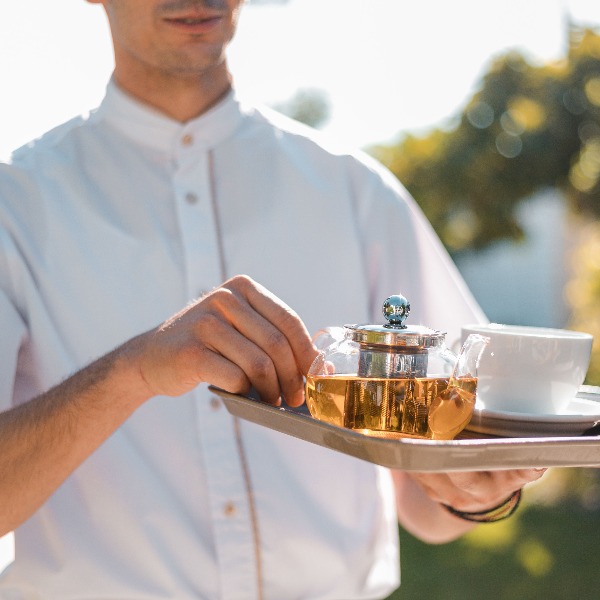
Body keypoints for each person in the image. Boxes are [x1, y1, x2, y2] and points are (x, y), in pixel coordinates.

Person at [0, 1, 546, 598]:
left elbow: (427, 499)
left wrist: (470, 491)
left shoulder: (358, 194)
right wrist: (134, 370)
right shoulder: (16, 208)